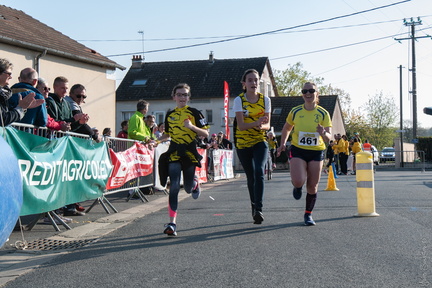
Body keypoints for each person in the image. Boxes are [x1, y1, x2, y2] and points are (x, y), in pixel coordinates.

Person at [277, 82, 331, 226]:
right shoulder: (295, 111)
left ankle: (308, 215)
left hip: (316, 151)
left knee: (313, 186)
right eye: (305, 91)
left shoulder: (323, 113)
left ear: (317, 93)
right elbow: (287, 128)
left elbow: (329, 137)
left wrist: (324, 133)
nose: (308, 93)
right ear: (302, 94)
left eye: (311, 90)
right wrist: (282, 143)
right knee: (299, 180)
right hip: (298, 149)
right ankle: (297, 186)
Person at [158, 83, 209, 236]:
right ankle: (172, 223)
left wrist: (192, 127)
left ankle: (194, 183)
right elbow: (167, 134)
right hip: (174, 152)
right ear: (174, 97)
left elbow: (206, 133)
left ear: (189, 97)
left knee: (186, 189)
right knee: (173, 185)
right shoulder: (170, 114)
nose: (182, 97)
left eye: (185, 95)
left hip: (189, 153)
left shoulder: (195, 112)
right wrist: (155, 141)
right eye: (179, 94)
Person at [233, 69, 271, 225]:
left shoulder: (265, 100)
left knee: (258, 171)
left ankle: (259, 209)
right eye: (250, 80)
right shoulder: (239, 100)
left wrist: (261, 128)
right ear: (244, 83)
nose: (254, 83)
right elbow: (241, 126)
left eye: (256, 80)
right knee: (250, 177)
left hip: (259, 141)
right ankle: (254, 206)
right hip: (242, 143)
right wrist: (256, 123)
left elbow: (267, 125)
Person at [0, 58, 44, 127]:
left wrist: (22, 108)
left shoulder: (6, 93)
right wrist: (20, 108)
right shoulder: (4, 93)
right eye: (9, 74)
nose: (11, 77)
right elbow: (3, 119)